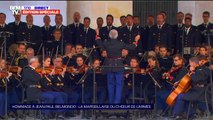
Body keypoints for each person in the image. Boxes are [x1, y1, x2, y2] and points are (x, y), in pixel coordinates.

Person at [96, 29, 136, 104]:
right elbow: (132, 47)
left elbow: (99, 43)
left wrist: (97, 34)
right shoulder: (120, 43)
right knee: (119, 84)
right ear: (117, 35)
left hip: (109, 65)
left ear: (109, 35)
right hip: (119, 65)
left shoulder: (106, 43)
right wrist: (135, 41)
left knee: (110, 84)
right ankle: (116, 103)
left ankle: (111, 103)